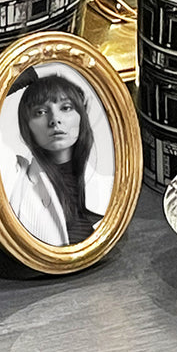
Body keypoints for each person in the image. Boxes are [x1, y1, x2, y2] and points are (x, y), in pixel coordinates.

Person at [8, 72, 109, 246]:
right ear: (27, 126)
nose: (54, 120)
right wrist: (32, 69)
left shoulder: (108, 184)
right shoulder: (17, 179)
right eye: (40, 112)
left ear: (82, 115)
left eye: (66, 108)